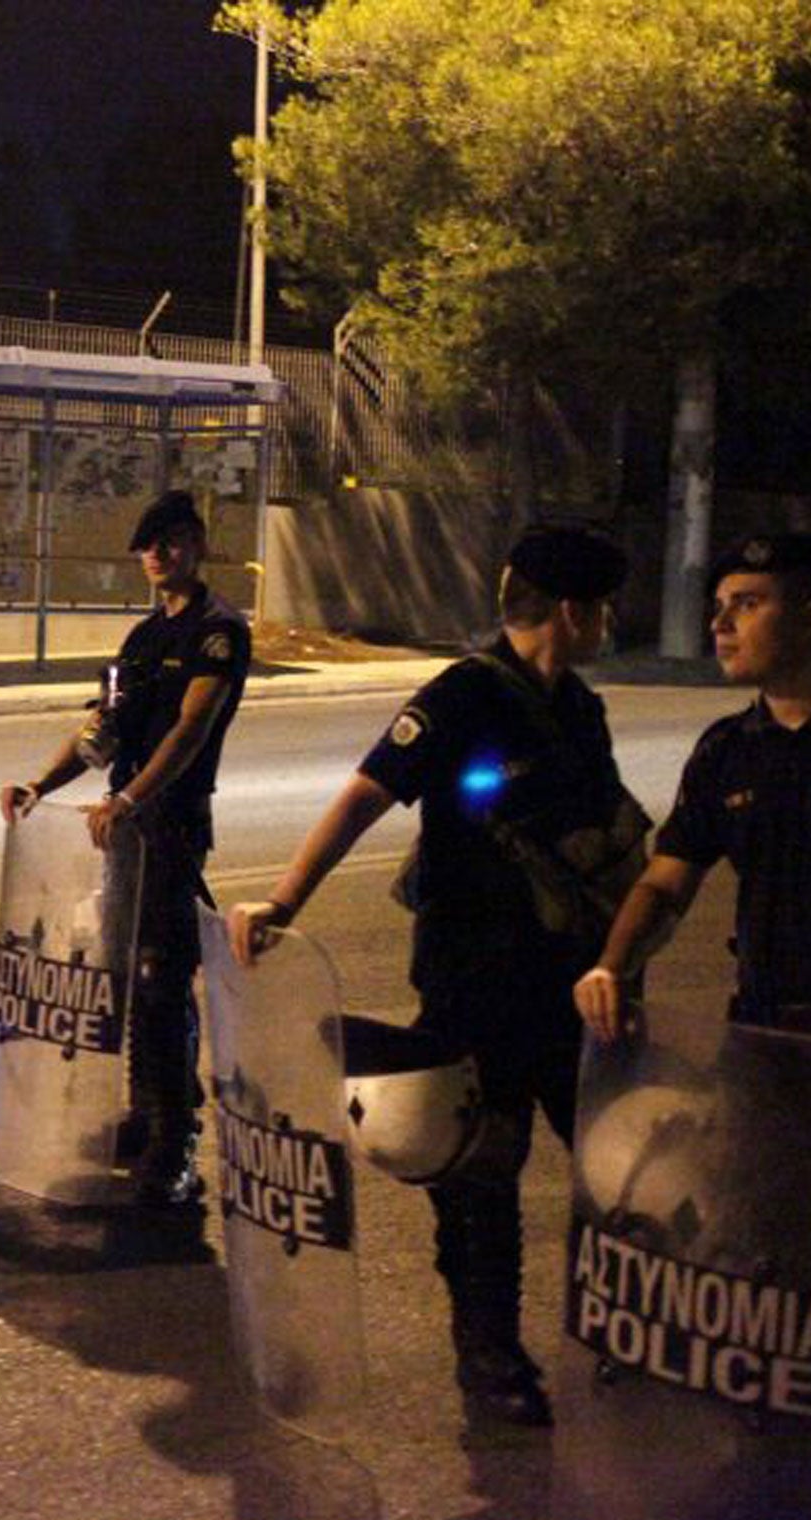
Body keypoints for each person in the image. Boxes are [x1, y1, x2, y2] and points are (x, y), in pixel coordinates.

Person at [231, 523, 639, 1427]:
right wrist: (284, 902)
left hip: (572, 986)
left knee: (620, 1174)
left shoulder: (582, 710)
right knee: (481, 1180)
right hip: (474, 985)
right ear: (571, 612)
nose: (610, 621)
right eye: (604, 608)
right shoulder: (460, 697)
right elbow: (367, 791)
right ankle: (489, 1360)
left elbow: (611, 839)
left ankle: (624, 1341)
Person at [575, 532, 811, 1340]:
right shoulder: (728, 752)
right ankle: (780, 1455)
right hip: (769, 1042)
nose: (722, 625)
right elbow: (666, 881)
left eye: (748, 604)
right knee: (770, 1255)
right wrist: (612, 965)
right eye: (718, 608)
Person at [0, 490, 251, 1204]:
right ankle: (145, 1115)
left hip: (168, 827)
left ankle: (178, 1140)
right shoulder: (142, 641)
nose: (156, 555)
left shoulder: (217, 631)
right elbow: (101, 730)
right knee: (132, 978)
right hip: (123, 831)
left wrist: (130, 798)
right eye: (147, 546)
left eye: (169, 542)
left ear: (196, 545)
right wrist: (38, 784)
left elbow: (192, 730)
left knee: (162, 978)